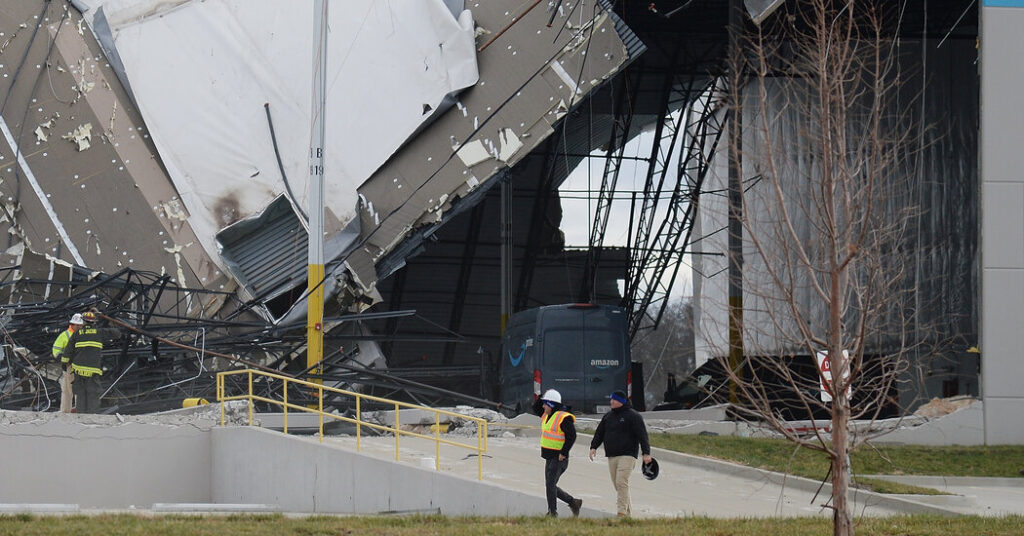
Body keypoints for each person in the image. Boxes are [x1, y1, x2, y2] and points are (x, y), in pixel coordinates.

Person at [589, 389, 651, 517]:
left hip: (628, 455)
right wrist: (593, 447)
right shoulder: (608, 416)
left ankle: (621, 513)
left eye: (614, 399)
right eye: (611, 399)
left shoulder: (633, 416)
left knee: (621, 481)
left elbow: (642, 435)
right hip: (612, 455)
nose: (611, 402)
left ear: (621, 401)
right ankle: (627, 515)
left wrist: (646, 453)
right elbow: (599, 433)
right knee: (618, 485)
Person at [535, 388, 583, 517]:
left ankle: (552, 513)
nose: (543, 406)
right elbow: (536, 408)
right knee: (550, 485)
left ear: (552, 405)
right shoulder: (547, 415)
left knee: (550, 485)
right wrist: (541, 396)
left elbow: (572, 436)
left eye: (546, 403)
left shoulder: (563, 418)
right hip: (549, 456)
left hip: (559, 458)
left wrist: (564, 452)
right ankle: (573, 502)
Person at [65, 311, 109, 413]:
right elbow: (117, 333)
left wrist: (64, 362)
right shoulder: (99, 332)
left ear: (83, 322)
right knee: (93, 393)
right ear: (94, 322)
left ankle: (81, 414)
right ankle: (92, 414)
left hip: (79, 370)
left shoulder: (77, 333)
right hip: (93, 370)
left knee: (80, 393)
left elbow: (68, 350)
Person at [52, 313, 84, 413]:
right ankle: (65, 411)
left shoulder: (83, 335)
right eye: (78, 325)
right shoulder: (65, 335)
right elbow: (56, 349)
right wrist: (62, 359)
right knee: (67, 390)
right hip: (69, 366)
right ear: (72, 324)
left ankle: (80, 410)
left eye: (81, 325)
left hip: (80, 366)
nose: (79, 327)